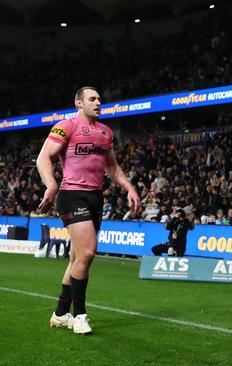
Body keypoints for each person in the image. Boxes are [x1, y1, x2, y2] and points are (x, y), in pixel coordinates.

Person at [38, 86, 141, 335]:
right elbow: (44, 157)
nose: (98, 102)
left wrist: (129, 188)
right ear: (79, 104)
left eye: (99, 99)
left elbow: (113, 167)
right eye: (92, 99)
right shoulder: (67, 126)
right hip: (71, 195)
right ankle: (80, 315)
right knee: (88, 252)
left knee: (77, 258)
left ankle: (60, 314)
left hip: (95, 198)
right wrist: (51, 185)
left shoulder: (106, 133)